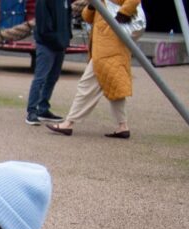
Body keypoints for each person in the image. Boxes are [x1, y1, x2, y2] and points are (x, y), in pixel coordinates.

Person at [46, 0, 141, 139]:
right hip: (108, 47)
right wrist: (91, 6)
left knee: (86, 86)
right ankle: (123, 126)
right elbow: (88, 18)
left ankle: (69, 123)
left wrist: (123, 13)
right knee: (115, 89)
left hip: (107, 49)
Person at [25, 0, 73, 126]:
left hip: (60, 42)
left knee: (52, 78)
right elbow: (43, 23)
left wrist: (66, 37)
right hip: (47, 43)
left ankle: (43, 108)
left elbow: (67, 16)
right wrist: (56, 38)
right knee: (40, 78)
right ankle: (32, 111)